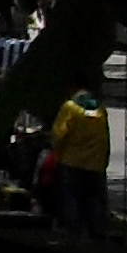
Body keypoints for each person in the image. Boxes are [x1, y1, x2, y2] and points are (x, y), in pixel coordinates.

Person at [51, 85, 112, 237]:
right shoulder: (101, 111)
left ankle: (74, 231)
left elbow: (59, 134)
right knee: (94, 199)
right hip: (95, 164)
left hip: (72, 161)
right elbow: (106, 138)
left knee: (71, 197)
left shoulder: (70, 108)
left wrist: (57, 155)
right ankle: (96, 231)